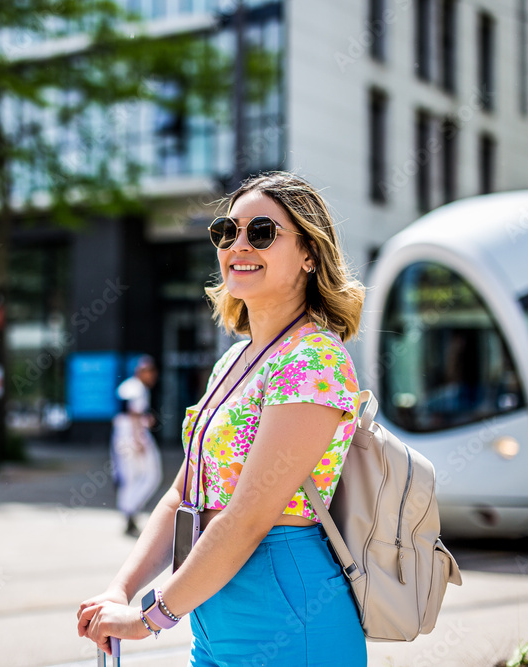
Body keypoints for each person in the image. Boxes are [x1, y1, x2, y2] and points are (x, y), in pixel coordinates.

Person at [77, 172, 368, 665]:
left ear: (308, 254)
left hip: (283, 609)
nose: (238, 245)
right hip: (213, 610)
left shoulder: (314, 358)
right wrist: (119, 590)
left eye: (261, 232)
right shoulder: (233, 362)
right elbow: (181, 495)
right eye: (226, 232)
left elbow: (249, 517)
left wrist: (148, 618)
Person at [111, 355, 162, 537]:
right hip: (134, 437)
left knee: (129, 478)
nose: (151, 375)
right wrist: (138, 440)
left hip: (122, 437)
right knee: (151, 475)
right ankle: (130, 511)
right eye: (147, 371)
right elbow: (133, 414)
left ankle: (129, 514)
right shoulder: (136, 387)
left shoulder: (128, 386)